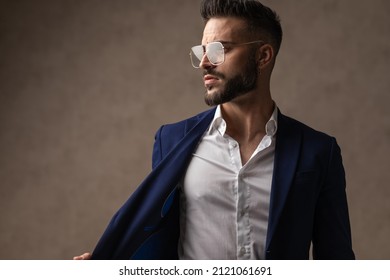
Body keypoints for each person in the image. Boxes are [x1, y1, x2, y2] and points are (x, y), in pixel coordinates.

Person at [74, 0, 354, 260]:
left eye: (220, 50)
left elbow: (337, 261)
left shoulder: (319, 152)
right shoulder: (171, 141)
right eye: (202, 51)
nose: (205, 63)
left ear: (263, 56)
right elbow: (158, 243)